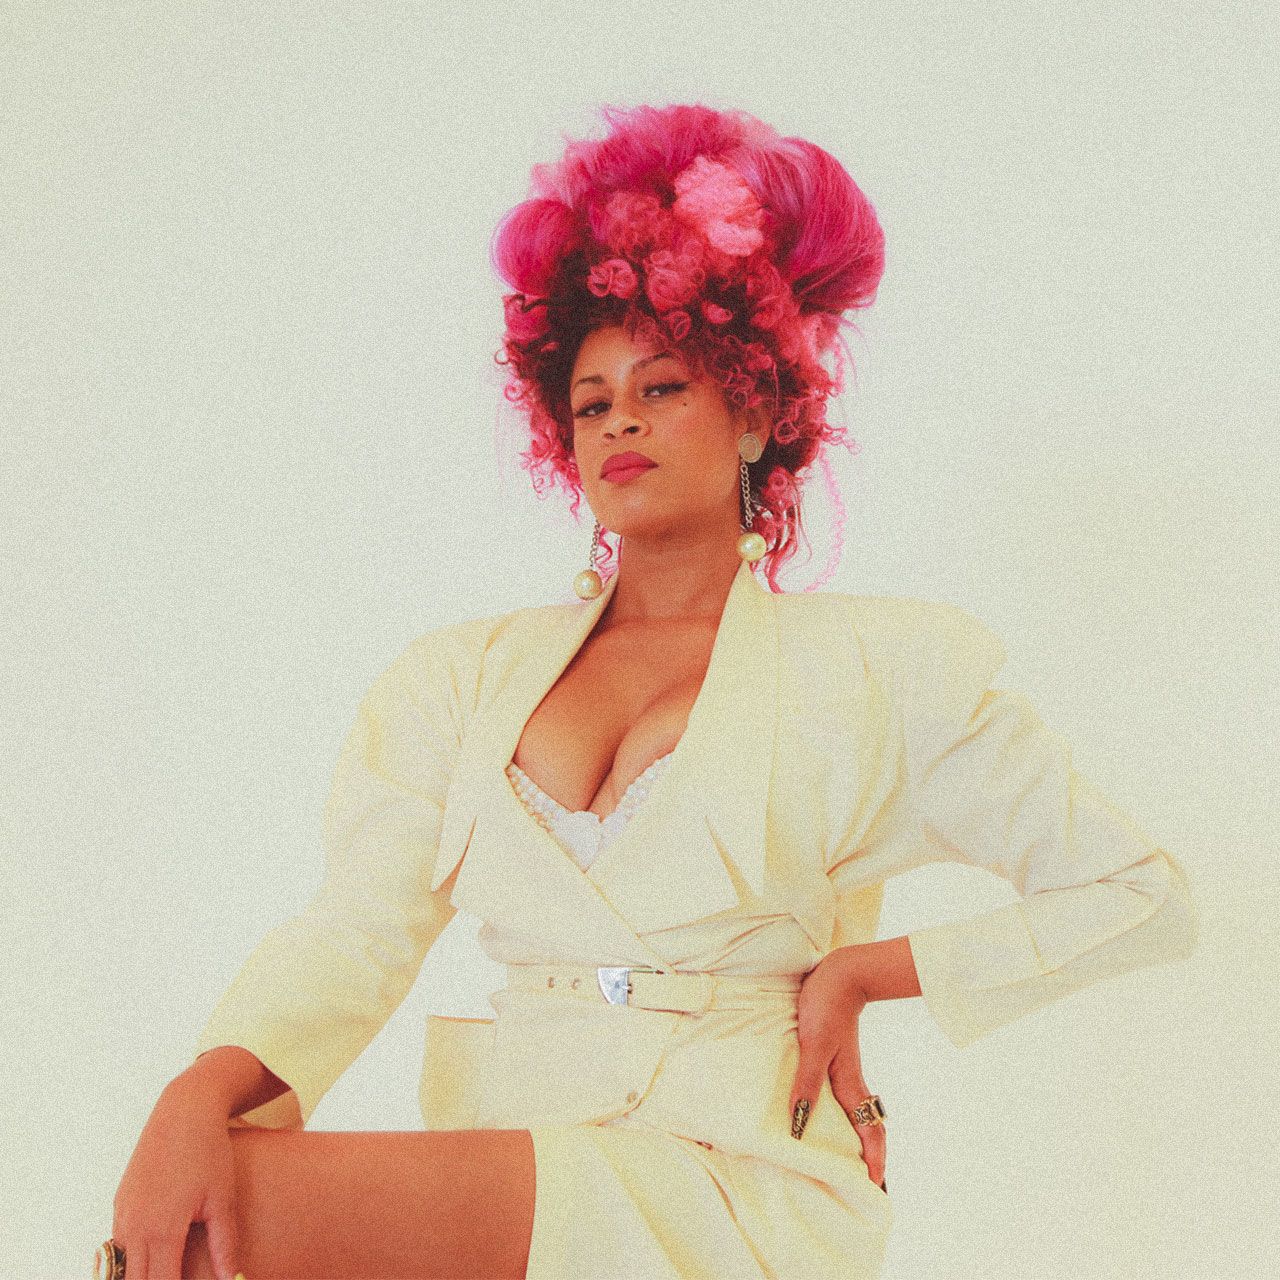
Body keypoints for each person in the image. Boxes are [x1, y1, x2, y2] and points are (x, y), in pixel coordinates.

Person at [105, 102, 1199, 1280]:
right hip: (520, 1136)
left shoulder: (880, 666)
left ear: (756, 410)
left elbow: (1136, 895)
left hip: (735, 1167)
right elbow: (356, 934)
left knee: (230, 1220)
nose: (620, 416)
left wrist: (860, 972)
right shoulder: (458, 680)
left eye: (663, 385)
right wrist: (196, 1089)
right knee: (193, 1207)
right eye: (590, 401)